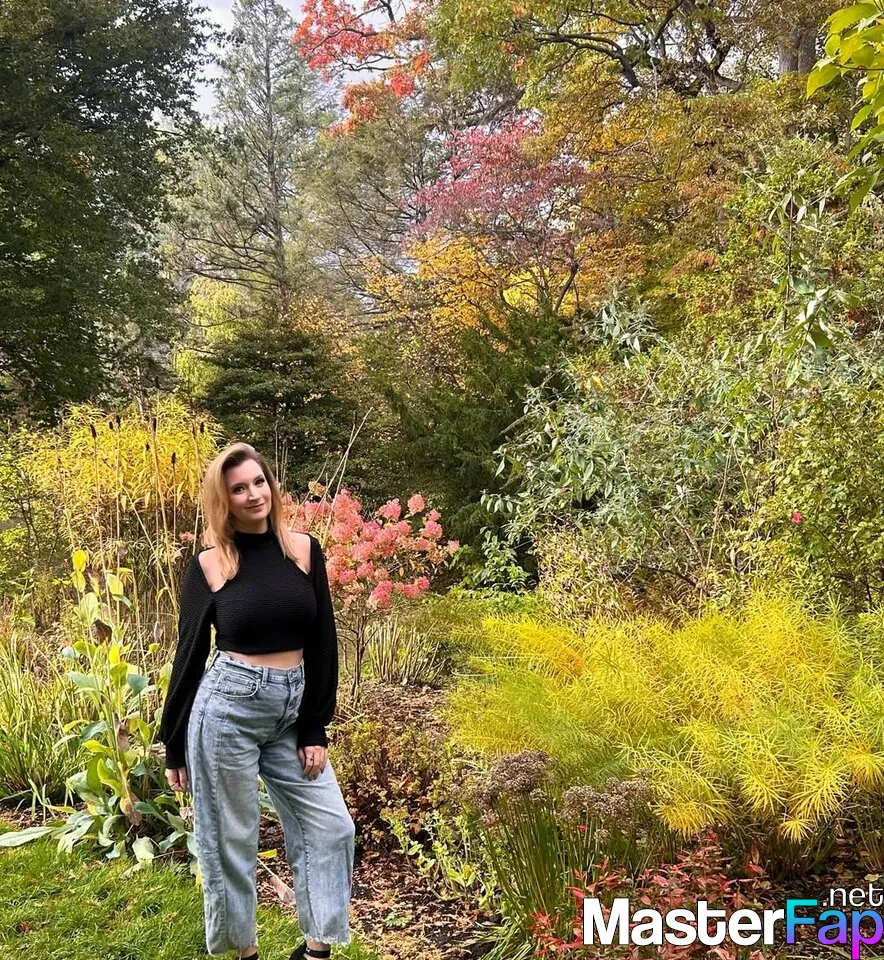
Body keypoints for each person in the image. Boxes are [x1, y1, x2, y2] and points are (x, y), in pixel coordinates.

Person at [158, 441, 355, 960]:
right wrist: (174, 743)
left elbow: (323, 643)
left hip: (291, 713)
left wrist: (315, 727)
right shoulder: (209, 565)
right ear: (223, 500)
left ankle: (315, 952)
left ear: (272, 484)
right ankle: (245, 954)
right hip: (228, 710)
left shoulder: (304, 551)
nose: (253, 495)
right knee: (232, 840)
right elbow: (188, 655)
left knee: (332, 827)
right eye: (238, 488)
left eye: (259, 482)